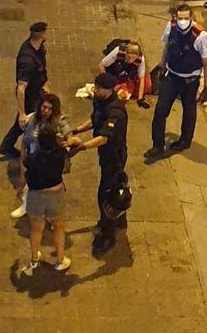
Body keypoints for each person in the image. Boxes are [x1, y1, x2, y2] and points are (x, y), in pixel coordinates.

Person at [67, 73, 128, 253]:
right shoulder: (101, 101)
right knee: (115, 190)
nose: (96, 89)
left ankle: (108, 233)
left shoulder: (116, 112)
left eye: (100, 88)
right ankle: (119, 219)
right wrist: (76, 129)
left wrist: (82, 146)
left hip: (114, 157)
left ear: (110, 90)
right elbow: (95, 120)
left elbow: (104, 137)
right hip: (105, 155)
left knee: (106, 195)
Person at [144, 4, 207, 164]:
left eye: (185, 18)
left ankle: (185, 140)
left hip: (190, 80)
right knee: (160, 111)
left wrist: (206, 87)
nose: (182, 21)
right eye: (179, 18)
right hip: (171, 77)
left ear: (191, 18)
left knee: (189, 110)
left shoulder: (200, 36)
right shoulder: (171, 27)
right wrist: (161, 66)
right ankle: (158, 146)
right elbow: (167, 47)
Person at [18, 126, 71, 276]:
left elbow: (25, 164)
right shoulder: (59, 153)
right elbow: (75, 145)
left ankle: (34, 259)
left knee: (36, 229)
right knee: (58, 227)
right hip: (55, 193)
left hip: (36, 195)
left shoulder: (33, 158)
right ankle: (60, 260)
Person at [9, 93, 71, 219]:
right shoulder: (31, 119)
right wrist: (23, 161)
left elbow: (69, 136)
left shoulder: (59, 121)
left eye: (50, 108)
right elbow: (25, 141)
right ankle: (27, 205)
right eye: (44, 107)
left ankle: (53, 215)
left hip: (51, 162)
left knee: (53, 188)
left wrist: (67, 142)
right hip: (34, 160)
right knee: (30, 185)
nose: (46, 111)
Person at [0, 22, 49, 160]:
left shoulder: (39, 48)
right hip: (30, 96)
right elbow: (21, 87)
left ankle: (6, 145)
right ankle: (12, 146)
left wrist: (45, 84)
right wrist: (21, 112)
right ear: (41, 35)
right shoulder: (27, 59)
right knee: (25, 121)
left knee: (25, 122)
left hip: (38, 91)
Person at [98, 41, 151, 108]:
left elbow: (141, 78)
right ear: (125, 52)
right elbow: (101, 65)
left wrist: (140, 98)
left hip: (126, 75)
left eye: (133, 58)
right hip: (113, 71)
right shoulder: (118, 52)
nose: (130, 60)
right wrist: (106, 83)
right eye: (128, 57)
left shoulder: (140, 59)